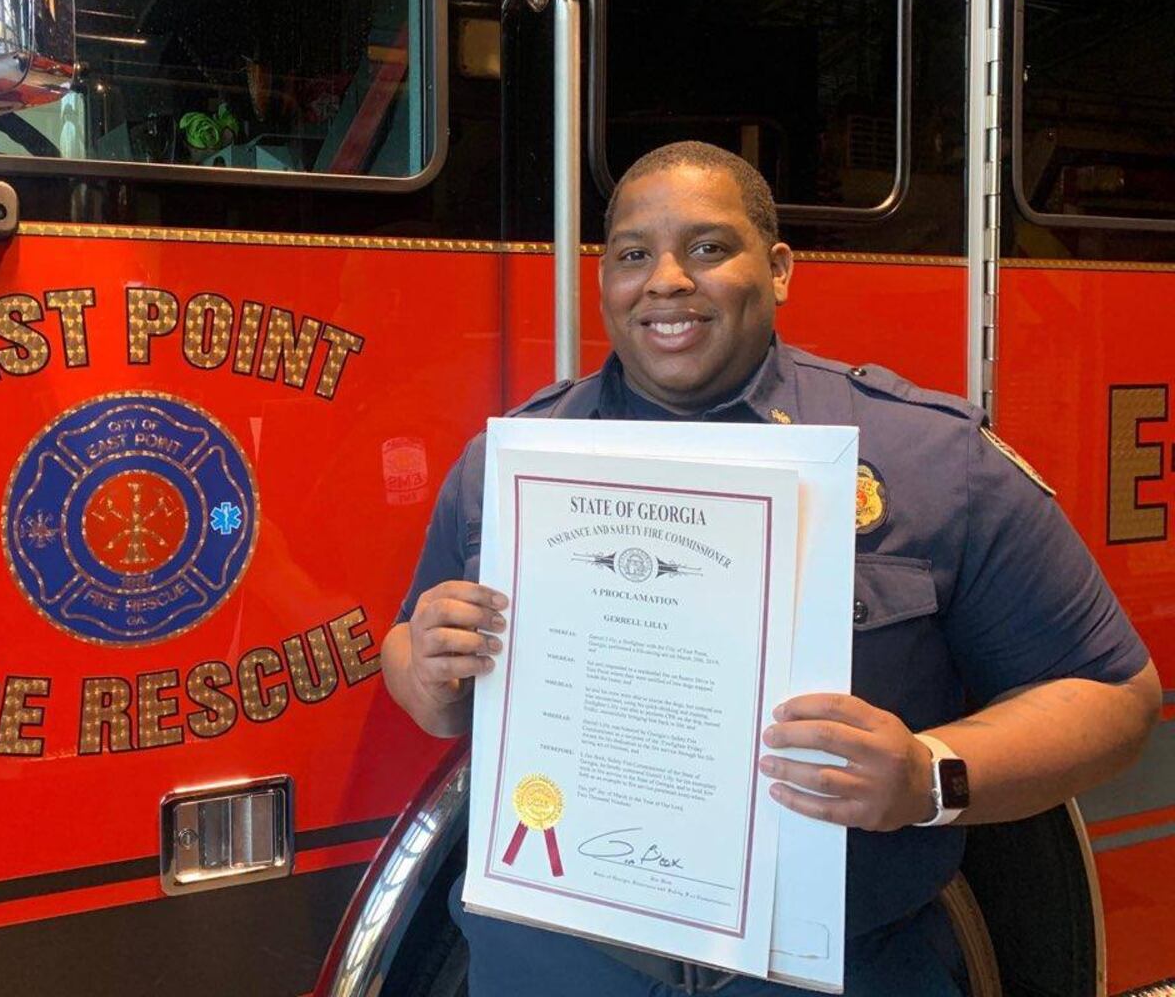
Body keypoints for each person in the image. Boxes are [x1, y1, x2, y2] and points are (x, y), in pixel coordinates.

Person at [380, 141, 1161, 996]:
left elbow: (1114, 695)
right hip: (552, 961)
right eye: (634, 254)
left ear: (780, 269)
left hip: (830, 970)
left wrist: (926, 775)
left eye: (709, 248)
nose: (667, 280)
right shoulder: (512, 464)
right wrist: (426, 672)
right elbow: (417, 667)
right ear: (604, 279)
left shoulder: (928, 457)